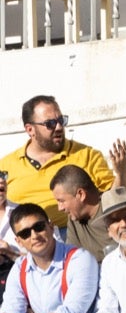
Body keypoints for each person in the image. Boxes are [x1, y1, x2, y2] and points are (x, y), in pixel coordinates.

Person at [0, 97, 113, 227]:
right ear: (30, 129)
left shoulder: (87, 155)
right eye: (50, 123)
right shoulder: (5, 166)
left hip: (80, 233)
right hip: (29, 239)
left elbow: (113, 198)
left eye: (61, 120)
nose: (59, 127)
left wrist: (122, 173)